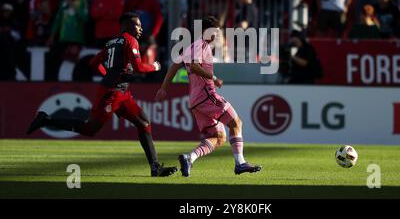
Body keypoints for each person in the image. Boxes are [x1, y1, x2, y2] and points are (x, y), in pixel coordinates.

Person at [27, 12, 178, 177]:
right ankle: (46, 119)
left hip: (121, 91)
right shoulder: (130, 40)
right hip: (111, 93)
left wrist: (109, 73)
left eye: (141, 25)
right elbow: (139, 68)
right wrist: (154, 67)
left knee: (144, 123)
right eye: (137, 25)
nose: (141, 28)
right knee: (90, 129)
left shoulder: (112, 42)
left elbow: (93, 63)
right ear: (126, 25)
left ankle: (155, 167)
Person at [155, 16, 262, 177]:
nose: (217, 35)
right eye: (215, 31)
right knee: (236, 122)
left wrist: (164, 88)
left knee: (218, 137)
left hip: (196, 101)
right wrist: (213, 78)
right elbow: (194, 65)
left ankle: (189, 157)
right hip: (206, 95)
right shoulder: (201, 45)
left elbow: (174, 66)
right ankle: (240, 163)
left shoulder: (190, 46)